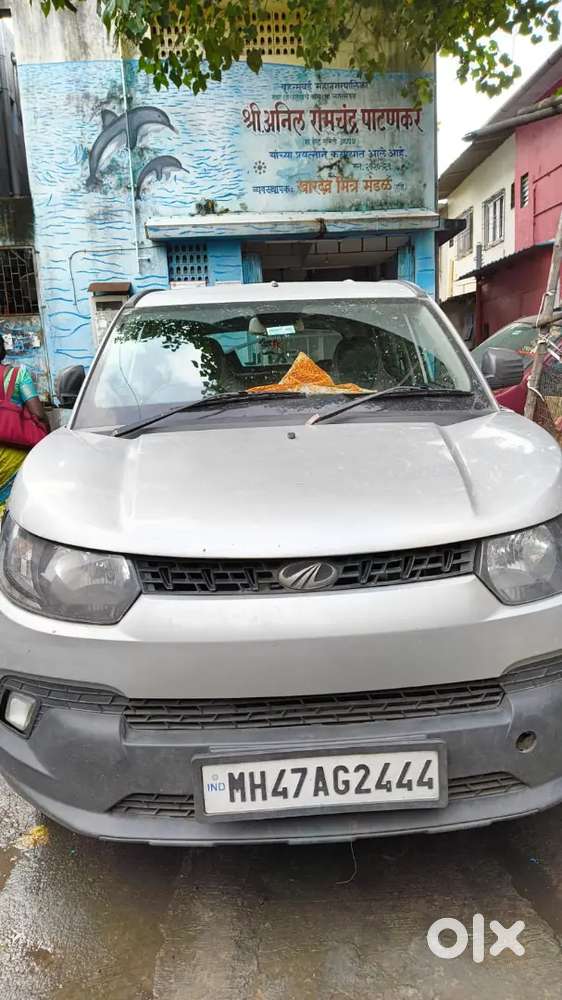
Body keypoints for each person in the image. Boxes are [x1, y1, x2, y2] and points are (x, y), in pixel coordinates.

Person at [0, 335, 48, 515]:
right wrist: (47, 436)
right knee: (16, 507)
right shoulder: (18, 375)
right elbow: (38, 414)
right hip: (14, 454)